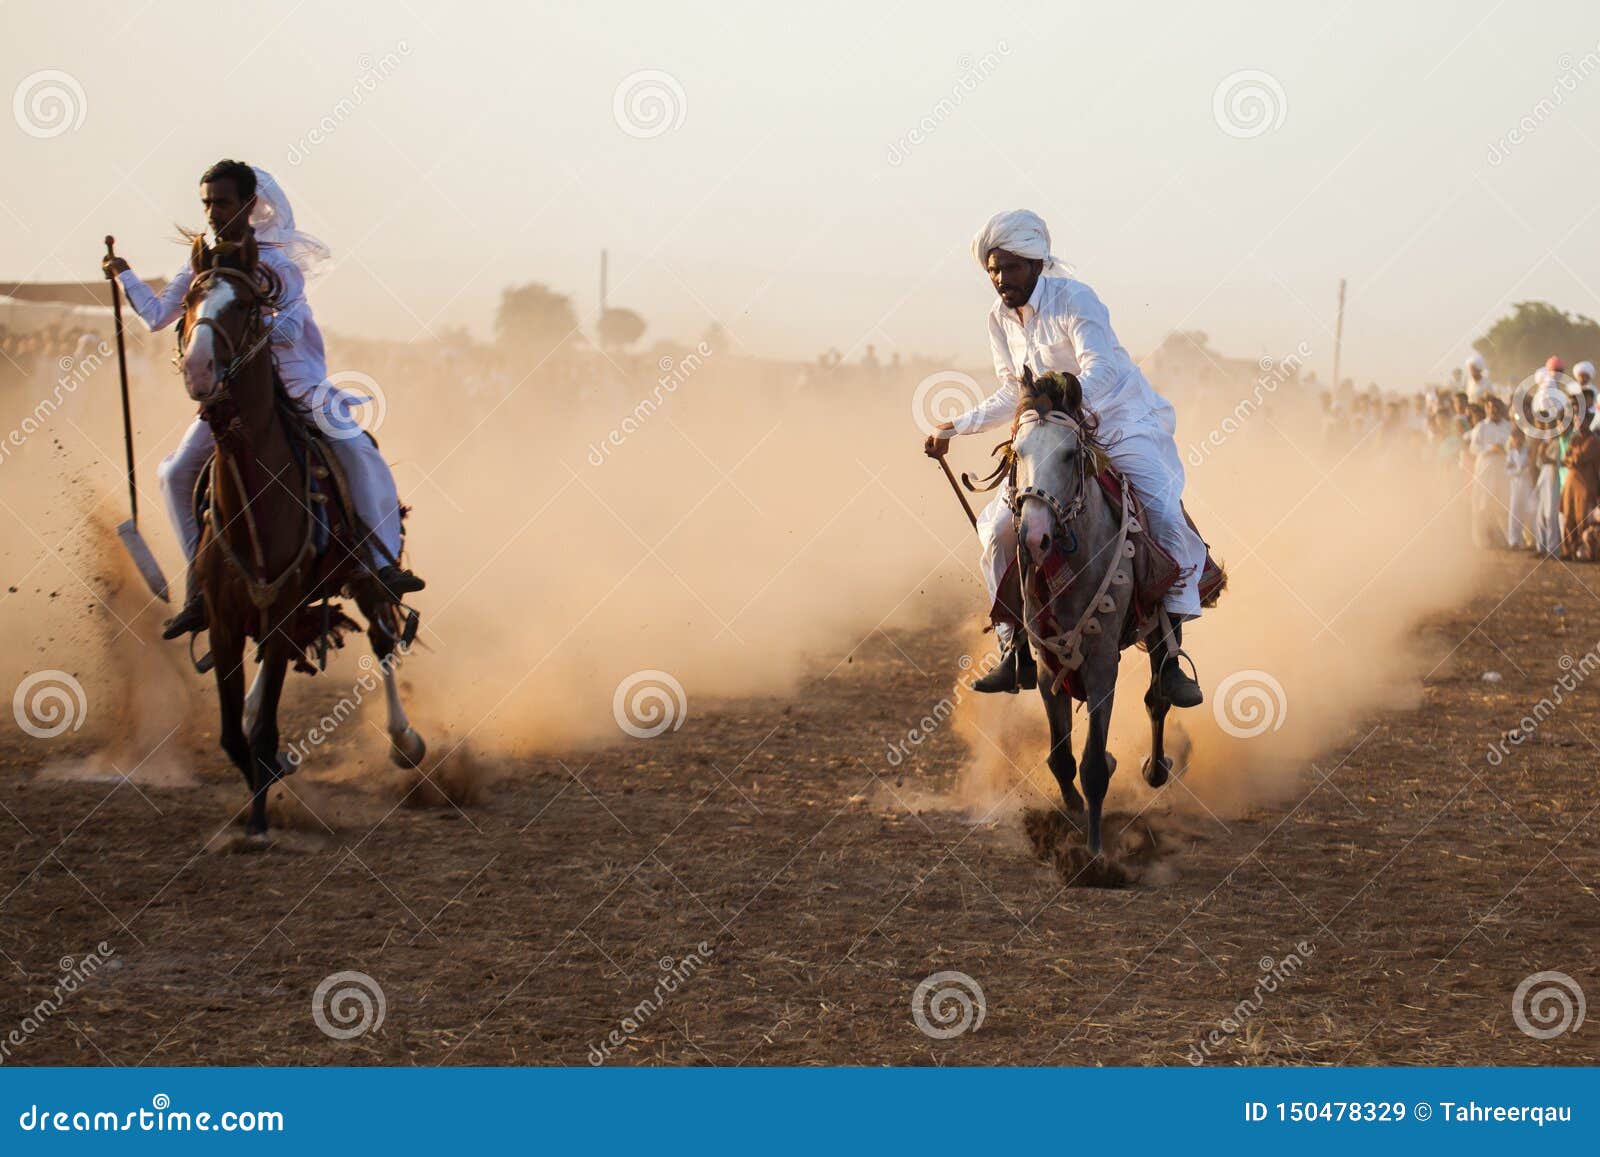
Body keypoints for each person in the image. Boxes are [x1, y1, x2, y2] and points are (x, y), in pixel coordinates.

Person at [103, 159, 424, 638]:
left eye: (223, 202)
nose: (213, 212)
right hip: (233, 398)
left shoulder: (277, 261)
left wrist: (245, 328)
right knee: (173, 473)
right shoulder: (199, 265)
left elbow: (292, 323)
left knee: (357, 449)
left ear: (249, 205)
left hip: (295, 382)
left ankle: (378, 563)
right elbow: (155, 317)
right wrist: (124, 277)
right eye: (207, 203)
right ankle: (201, 583)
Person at [923, 209, 1205, 704]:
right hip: (1050, 433)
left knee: (1161, 512)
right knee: (995, 530)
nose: (1000, 279)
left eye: (1010, 268)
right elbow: (1012, 390)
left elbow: (1099, 369)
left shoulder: (1076, 299)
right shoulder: (998, 320)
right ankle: (1015, 651)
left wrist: (1062, 405)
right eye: (992, 269)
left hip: (1120, 419)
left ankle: (1168, 657)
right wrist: (956, 425)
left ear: (1035, 263)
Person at [1465, 396, 1512, 547]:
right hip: (1485, 470)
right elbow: (1473, 448)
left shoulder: (1508, 427)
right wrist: (1491, 448)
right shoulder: (1481, 427)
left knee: (1503, 505)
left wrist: (1503, 450)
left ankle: (1505, 540)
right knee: (1482, 505)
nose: (1494, 410)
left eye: (1497, 407)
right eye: (1491, 408)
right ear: (1487, 409)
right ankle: (1481, 540)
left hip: (1503, 471)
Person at [1560, 419, 1600, 558]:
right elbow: (1565, 459)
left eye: (1582, 421)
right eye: (1576, 421)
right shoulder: (1575, 439)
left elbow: (1578, 459)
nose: (1579, 424)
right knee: (1568, 517)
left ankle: (1584, 551)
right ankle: (1568, 550)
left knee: (1581, 518)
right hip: (1570, 485)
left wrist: (1571, 459)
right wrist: (1571, 459)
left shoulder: (1594, 440)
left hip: (1585, 485)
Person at [1505, 425, 1535, 549]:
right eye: (1514, 438)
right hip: (1515, 485)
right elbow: (1507, 469)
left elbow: (1531, 466)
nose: (1516, 440)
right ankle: (1514, 541)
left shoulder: (1528, 451)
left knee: (1529, 512)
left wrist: (1523, 470)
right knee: (1514, 512)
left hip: (1527, 485)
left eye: (1518, 438)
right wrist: (1517, 471)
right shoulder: (1511, 453)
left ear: (1523, 438)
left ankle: (1531, 541)